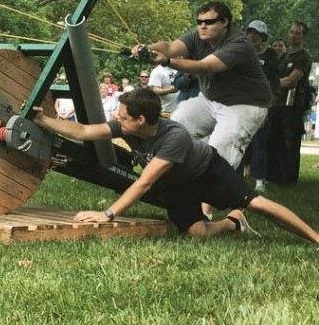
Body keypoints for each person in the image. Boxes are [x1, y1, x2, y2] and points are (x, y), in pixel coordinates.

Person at [33, 88, 319, 244]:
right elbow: (84, 131)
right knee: (197, 234)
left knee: (258, 204)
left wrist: (108, 213)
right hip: (178, 184)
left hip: (208, 172)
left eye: (122, 117)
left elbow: (145, 182)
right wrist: (43, 121)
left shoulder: (175, 137)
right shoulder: (128, 128)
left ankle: (314, 237)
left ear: (141, 120)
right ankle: (234, 222)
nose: (117, 121)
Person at [142, 0, 271, 169]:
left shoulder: (238, 43)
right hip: (211, 99)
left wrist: (166, 61)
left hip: (245, 106)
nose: (203, 26)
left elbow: (205, 67)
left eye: (209, 22)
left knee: (219, 156)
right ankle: (170, 177)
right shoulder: (198, 36)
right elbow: (170, 46)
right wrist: (147, 49)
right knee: (175, 128)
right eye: (199, 22)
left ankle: (216, 192)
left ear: (224, 22)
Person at [267, 21, 313, 186]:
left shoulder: (304, 57)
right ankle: (276, 177)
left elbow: (291, 81)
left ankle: (289, 180)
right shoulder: (284, 56)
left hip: (293, 105)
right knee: (275, 141)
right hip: (276, 104)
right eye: (291, 32)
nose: (293, 35)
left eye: (297, 33)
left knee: (290, 143)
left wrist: (269, 84)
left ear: (303, 36)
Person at [242, 20, 281, 192]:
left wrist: (268, 106)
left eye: (256, 33)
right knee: (239, 141)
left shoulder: (271, 57)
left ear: (263, 36)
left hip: (261, 105)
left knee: (260, 143)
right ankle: (236, 177)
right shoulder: (242, 53)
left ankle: (259, 180)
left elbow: (275, 84)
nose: (252, 36)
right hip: (241, 104)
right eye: (249, 32)